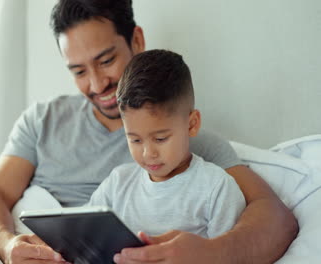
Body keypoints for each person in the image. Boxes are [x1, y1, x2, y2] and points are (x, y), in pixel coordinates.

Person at [0, 0, 298, 263]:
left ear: (136, 40)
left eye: (106, 60)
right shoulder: (41, 121)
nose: (96, 84)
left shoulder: (188, 143)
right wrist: (7, 245)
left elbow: (276, 219)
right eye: (79, 71)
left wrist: (213, 253)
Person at [87, 49, 246, 262]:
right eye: (135, 139)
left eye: (160, 139)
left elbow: (230, 256)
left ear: (192, 124)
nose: (148, 153)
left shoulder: (216, 188)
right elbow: (85, 236)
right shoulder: (117, 185)